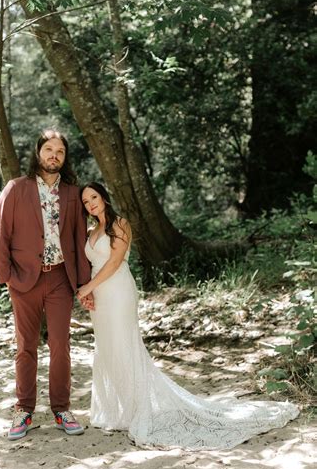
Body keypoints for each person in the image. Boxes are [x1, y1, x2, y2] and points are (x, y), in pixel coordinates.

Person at [77, 182, 300, 450]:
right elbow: (90, 264)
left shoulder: (120, 224)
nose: (90, 203)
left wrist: (88, 287)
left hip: (118, 291)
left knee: (125, 345)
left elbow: (114, 262)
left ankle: (141, 409)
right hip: (99, 296)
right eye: (86, 201)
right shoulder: (91, 231)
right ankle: (120, 410)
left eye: (94, 197)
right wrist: (89, 291)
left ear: (104, 197)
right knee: (108, 348)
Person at [0, 129, 92, 441]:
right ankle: (24, 410)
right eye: (49, 149)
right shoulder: (16, 189)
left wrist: (83, 285)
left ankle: (61, 408)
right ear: (38, 153)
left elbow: (79, 239)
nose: (54, 156)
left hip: (61, 278)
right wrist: (6, 276)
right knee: (26, 347)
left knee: (61, 345)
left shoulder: (73, 194)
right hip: (24, 279)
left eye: (60, 151)